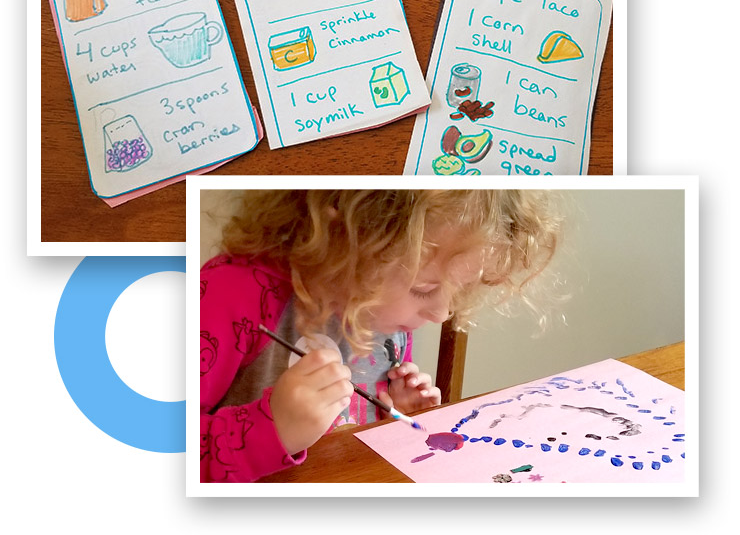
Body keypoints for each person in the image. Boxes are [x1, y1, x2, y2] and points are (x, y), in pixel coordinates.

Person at [200, 189, 561, 482]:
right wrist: (273, 429)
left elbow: (353, 433)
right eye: (423, 288)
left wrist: (394, 417)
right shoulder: (230, 294)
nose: (441, 313)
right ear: (344, 240)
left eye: (459, 288)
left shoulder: (387, 317)